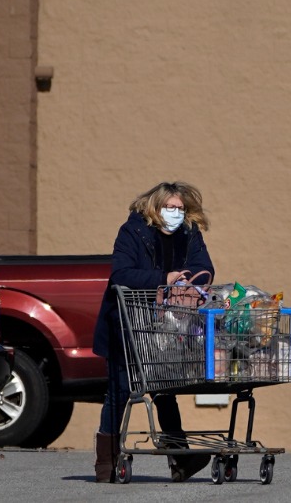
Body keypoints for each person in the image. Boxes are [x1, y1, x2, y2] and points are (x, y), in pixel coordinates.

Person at [91, 181, 215, 484]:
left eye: (180, 208)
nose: (175, 213)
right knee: (120, 392)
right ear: (155, 207)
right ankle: (106, 464)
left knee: (165, 389)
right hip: (128, 323)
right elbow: (121, 274)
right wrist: (164, 278)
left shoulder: (189, 233)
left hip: (165, 326)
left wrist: (189, 280)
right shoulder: (133, 231)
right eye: (170, 207)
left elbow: (204, 267)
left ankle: (181, 460)